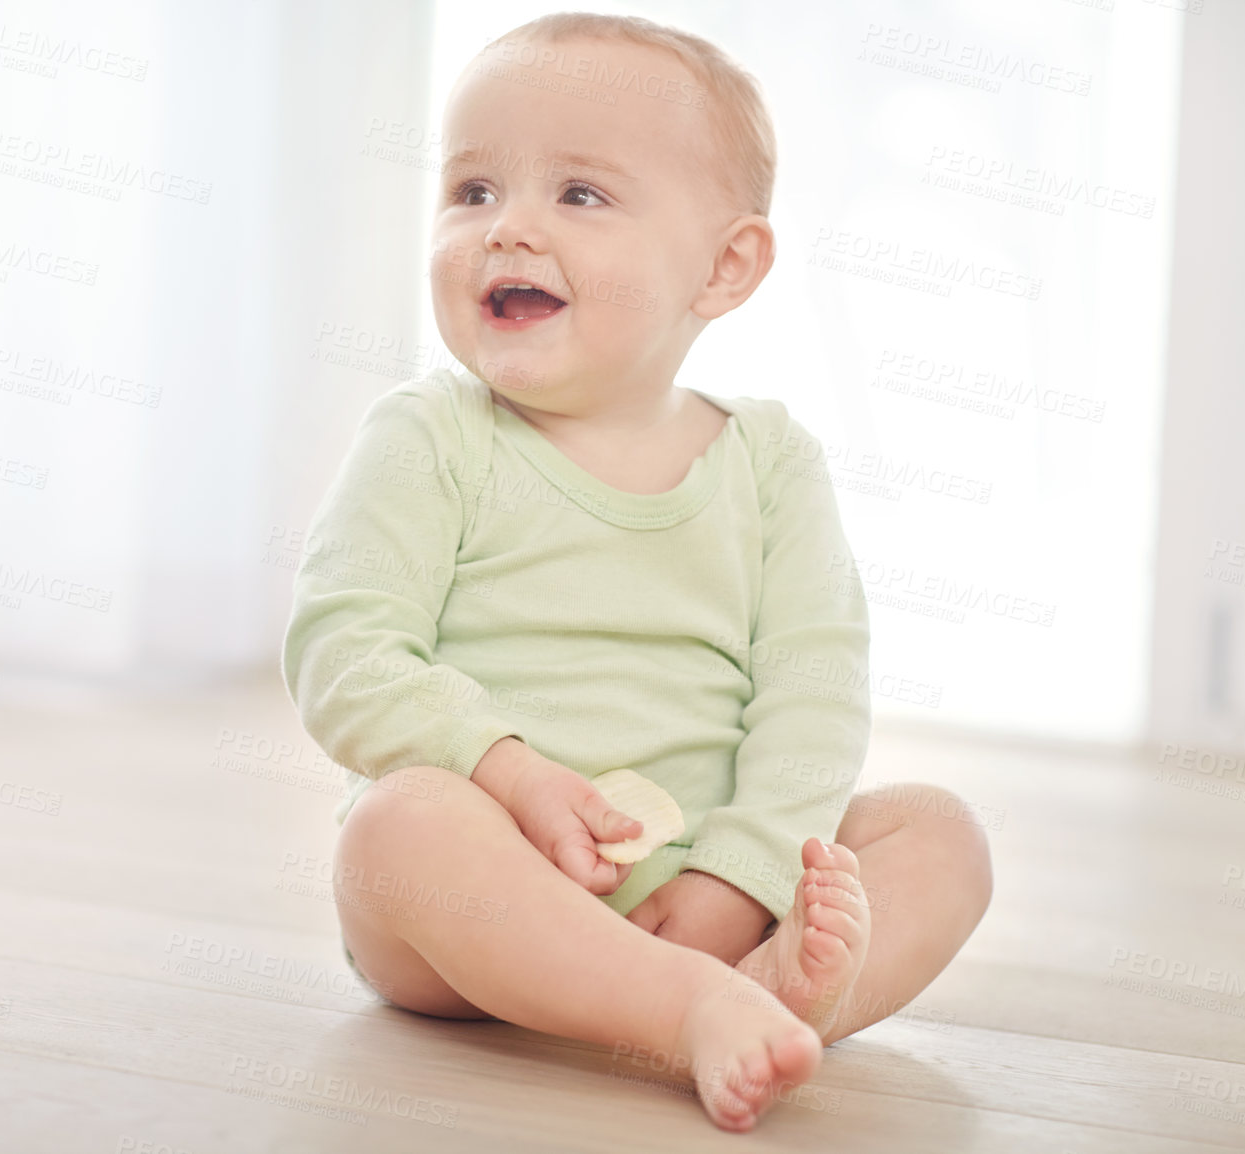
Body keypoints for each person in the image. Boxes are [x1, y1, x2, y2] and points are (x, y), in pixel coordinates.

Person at [280, 12, 992, 1132]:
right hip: (479, 901)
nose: (506, 228)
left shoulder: (769, 463)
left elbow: (813, 689)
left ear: (724, 265)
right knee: (398, 822)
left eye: (579, 194)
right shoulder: (428, 436)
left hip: (710, 882)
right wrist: (509, 774)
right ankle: (693, 1007)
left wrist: (739, 879)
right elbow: (343, 651)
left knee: (936, 834)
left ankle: (761, 998)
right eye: (471, 190)